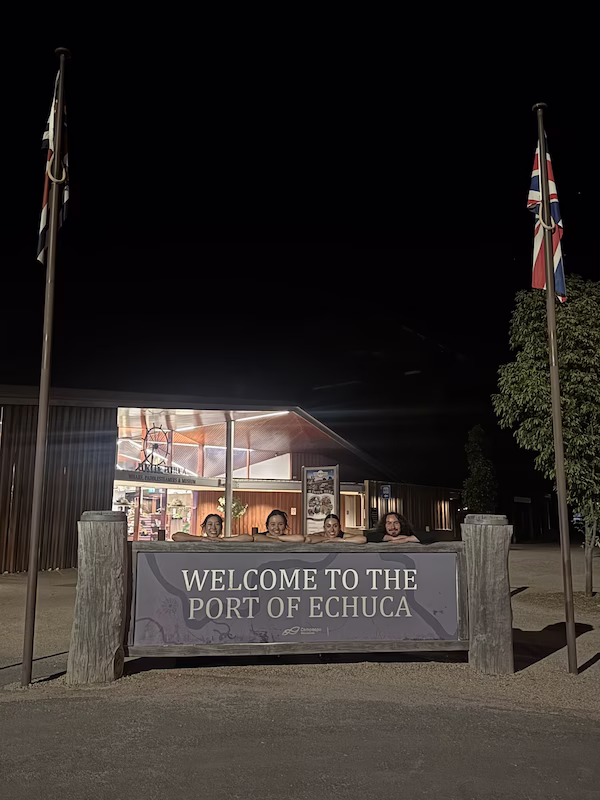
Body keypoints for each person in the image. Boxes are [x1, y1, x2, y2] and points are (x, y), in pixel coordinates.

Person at [172, 513, 253, 542]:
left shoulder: (225, 540)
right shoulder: (199, 540)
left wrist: (223, 540)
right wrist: (201, 539)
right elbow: (176, 536)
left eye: (217, 524)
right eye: (210, 524)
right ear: (204, 527)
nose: (213, 528)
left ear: (221, 528)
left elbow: (249, 538)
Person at [366, 511, 436, 544]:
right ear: (384, 525)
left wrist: (407, 539)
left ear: (401, 524)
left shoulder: (408, 534)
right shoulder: (379, 534)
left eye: (396, 523)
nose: (392, 527)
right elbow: (367, 537)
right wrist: (392, 538)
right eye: (389, 523)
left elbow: (430, 537)